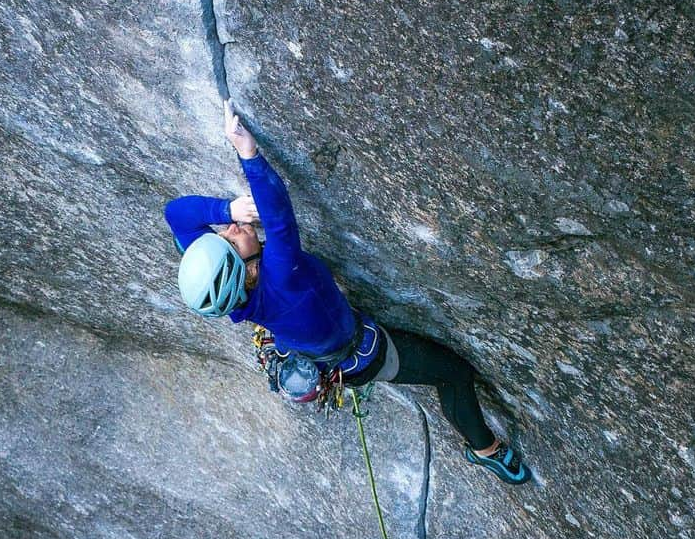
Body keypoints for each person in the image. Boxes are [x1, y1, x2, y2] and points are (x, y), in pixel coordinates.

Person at [165, 101, 530, 485]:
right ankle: (484, 450)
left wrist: (226, 208)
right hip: (360, 355)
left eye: (223, 231)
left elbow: (175, 215)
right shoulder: (282, 277)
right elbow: (279, 215)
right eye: (230, 238)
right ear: (250, 273)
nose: (230, 229)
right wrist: (247, 152)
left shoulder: (230, 288)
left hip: (310, 344)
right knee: (453, 374)